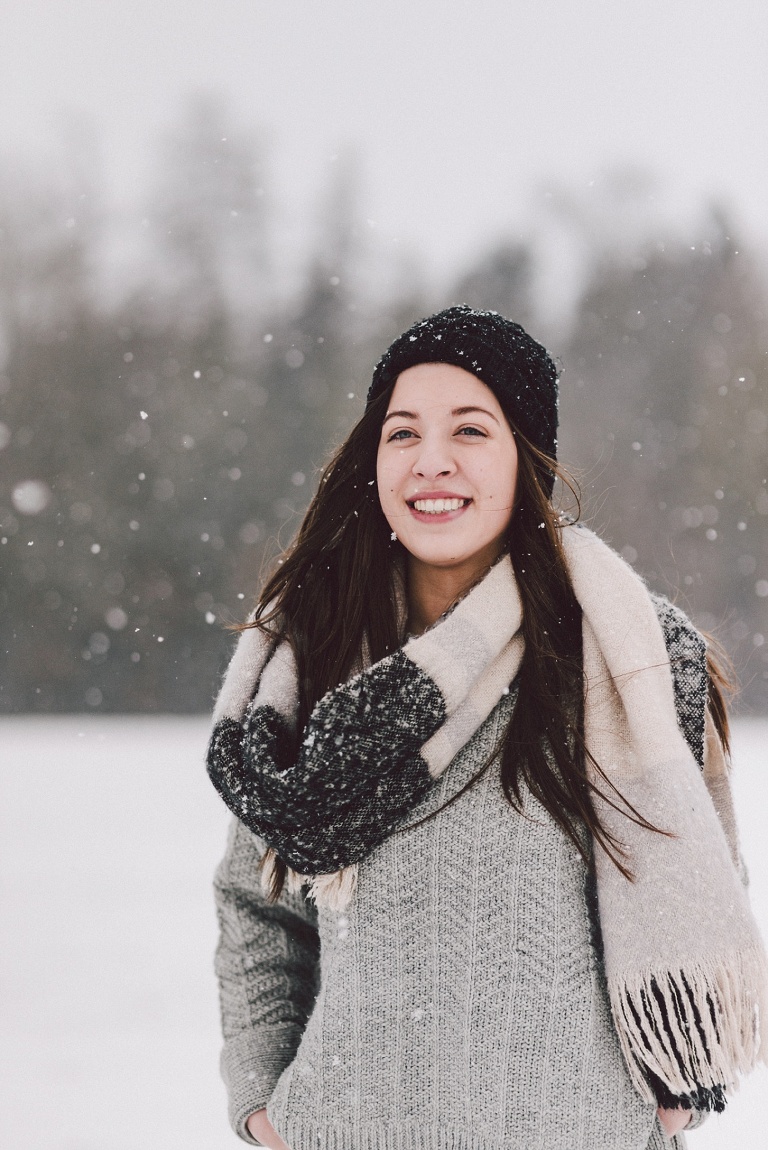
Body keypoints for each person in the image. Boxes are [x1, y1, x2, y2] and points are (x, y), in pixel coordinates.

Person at [207, 306, 767, 1150]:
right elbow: (257, 904)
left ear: (525, 458)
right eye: (402, 433)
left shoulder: (623, 657)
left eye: (471, 428)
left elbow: (697, 885)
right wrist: (261, 1098)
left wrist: (675, 1092)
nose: (432, 461)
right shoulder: (313, 660)